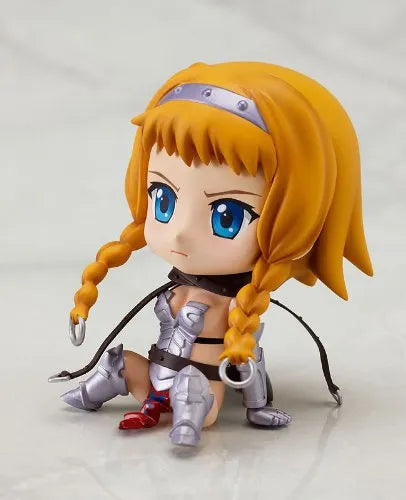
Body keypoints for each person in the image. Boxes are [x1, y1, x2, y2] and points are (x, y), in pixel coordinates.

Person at [60, 61, 373, 447]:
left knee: (195, 390)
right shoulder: (182, 287)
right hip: (157, 374)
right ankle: (94, 390)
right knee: (116, 362)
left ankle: (187, 424)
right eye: (163, 199)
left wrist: (257, 406)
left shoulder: (239, 304)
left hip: (203, 386)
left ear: (293, 222)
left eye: (228, 216)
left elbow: (248, 356)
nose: (181, 232)